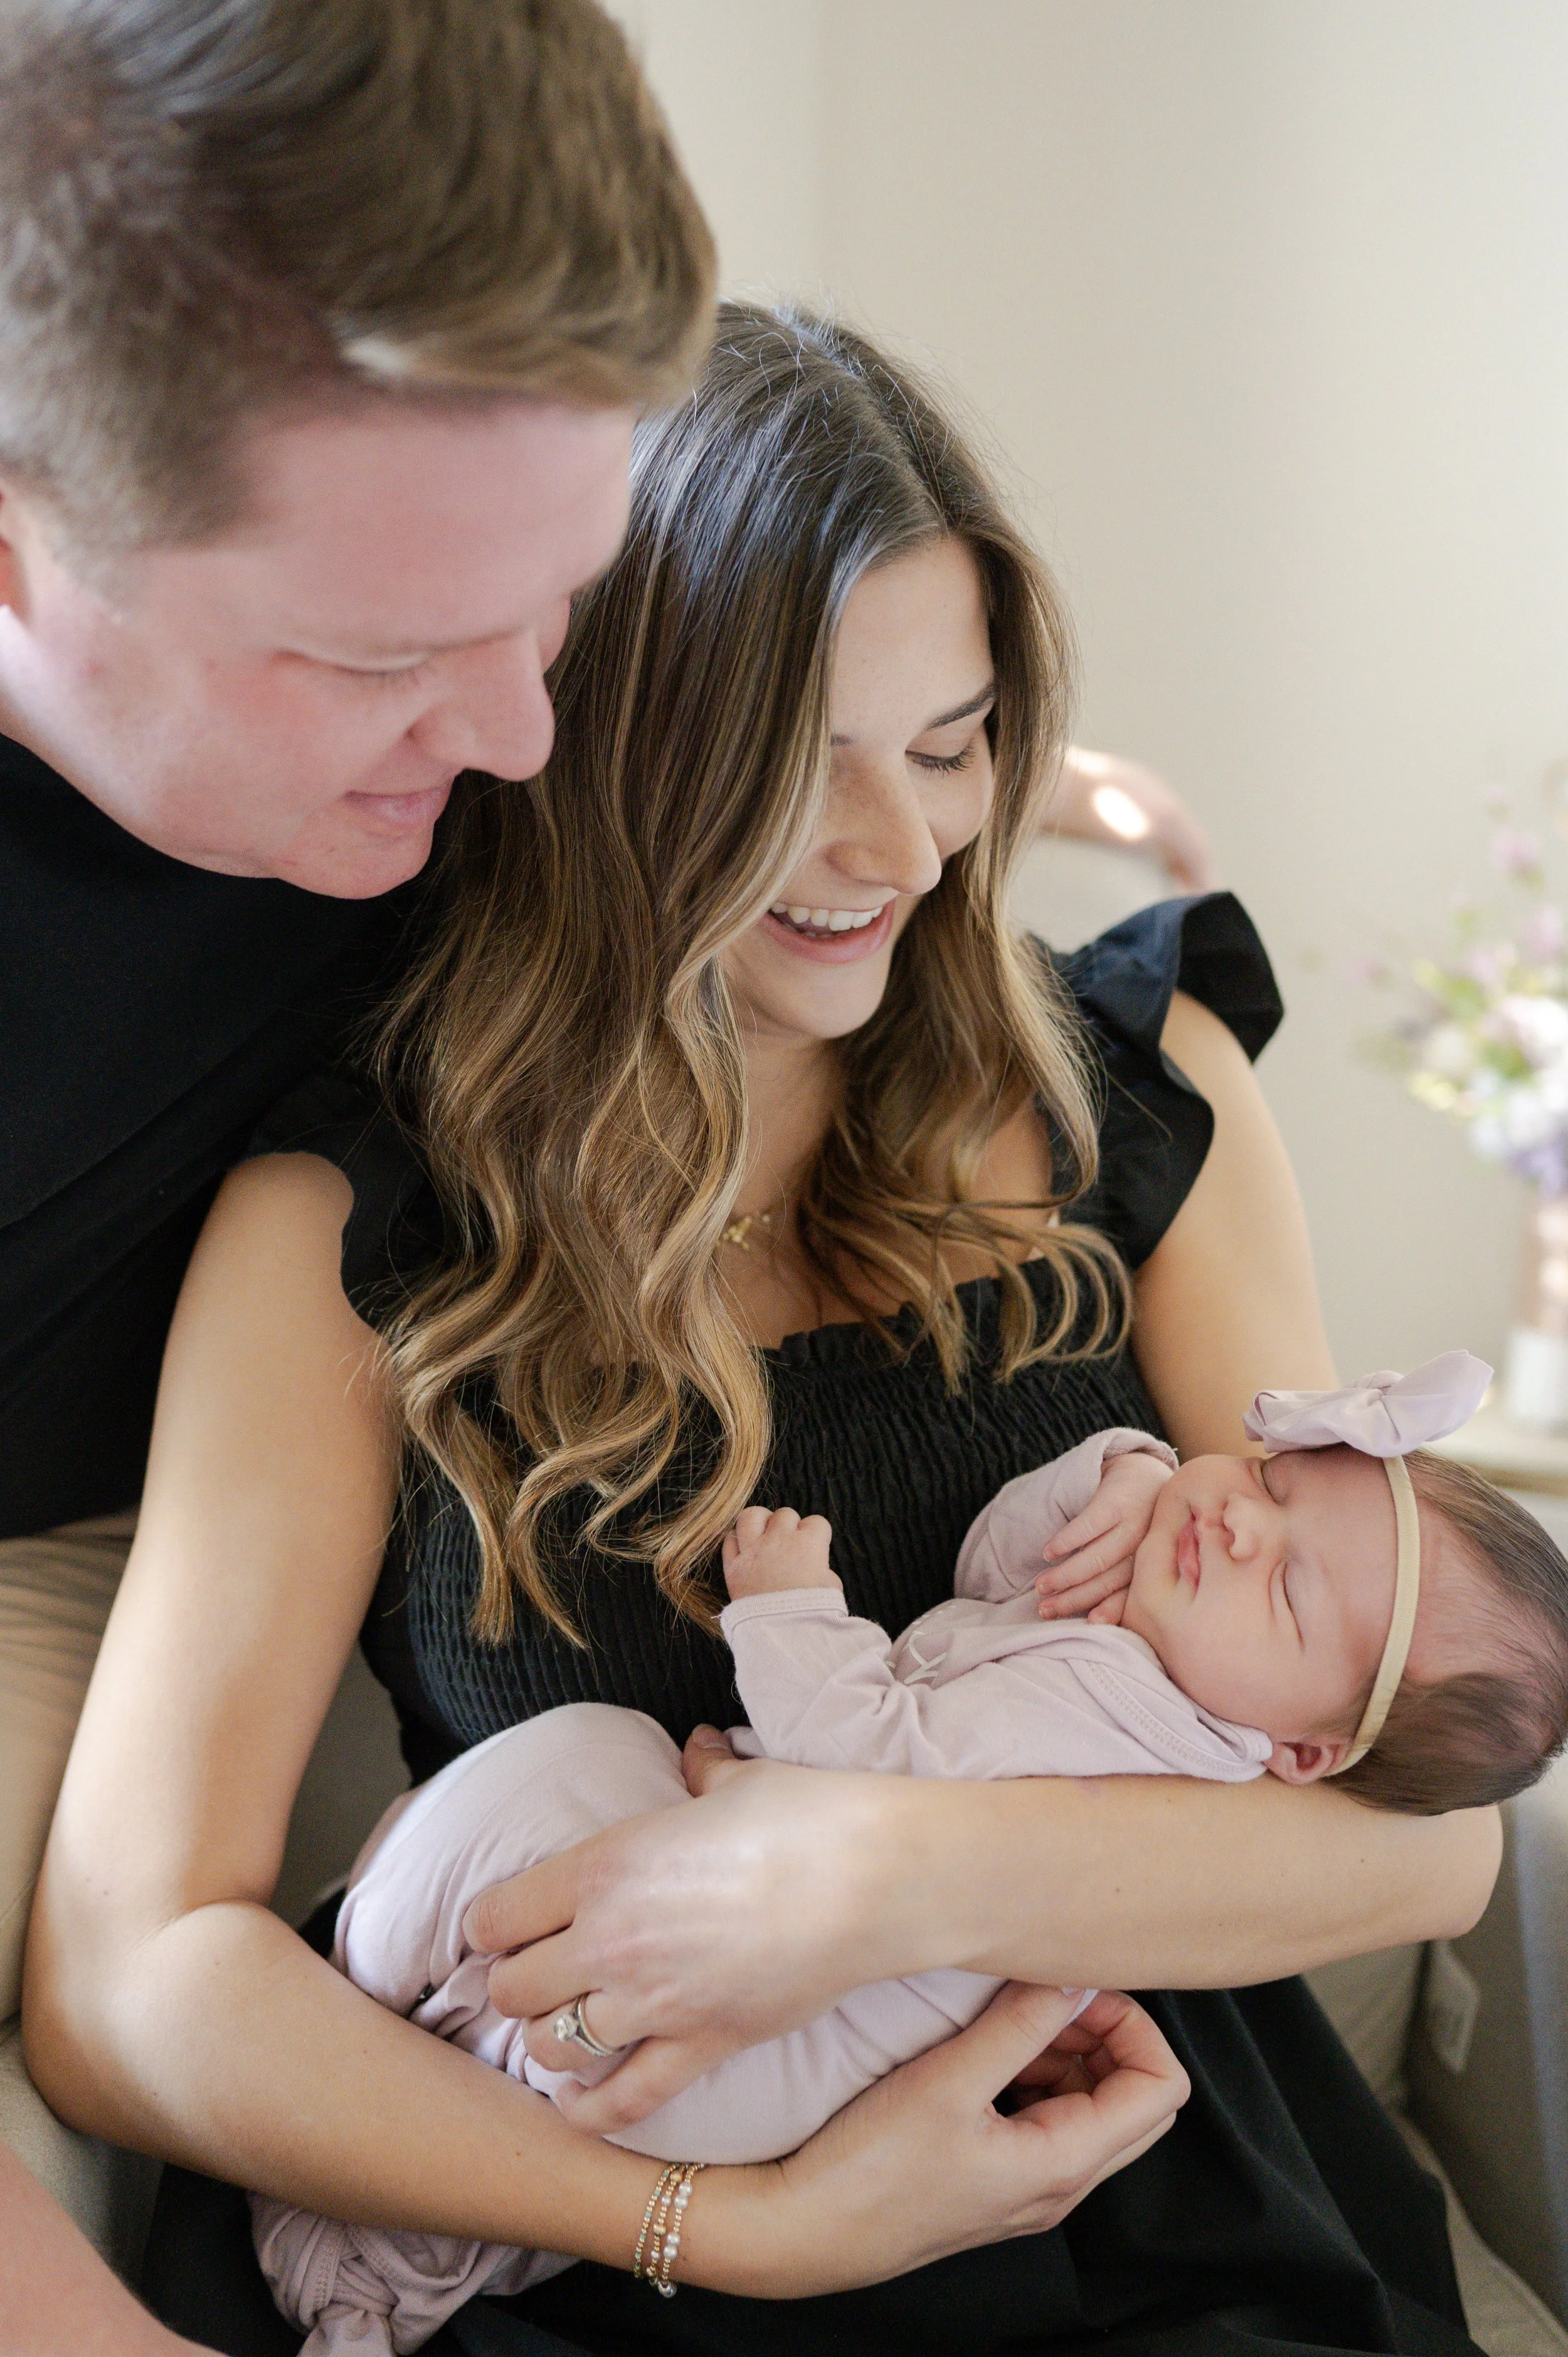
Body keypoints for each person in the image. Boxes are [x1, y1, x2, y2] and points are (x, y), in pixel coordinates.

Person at [24, 302, 1498, 2355]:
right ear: (609, 739)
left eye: (952, 740)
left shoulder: (1138, 1103)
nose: (900, 850)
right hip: (608, 2214)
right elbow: (126, 1974)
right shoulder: (358, 1223)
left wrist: (879, 1874)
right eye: (797, 764)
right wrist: (729, 2222)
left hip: (1127, 2190)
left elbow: (1420, 1838)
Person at [0, 0, 718, 2344]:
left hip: (313, 1488)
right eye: (382, 651)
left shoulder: (486, 639)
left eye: (563, 596)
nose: (522, 732)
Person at [250, 1361, 1565, 2352]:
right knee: (582, 1809)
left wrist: (785, 1605)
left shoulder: (1121, 1713)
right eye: (1270, 1488)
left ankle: (401, 2166)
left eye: (1284, 1589)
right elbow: (997, 1568)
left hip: (797, 2061)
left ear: (1303, 1758)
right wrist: (1113, 1478)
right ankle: (413, 2125)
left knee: (587, 1760)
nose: (1233, 1528)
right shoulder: (1162, 1648)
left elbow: (867, 1756)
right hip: (791, 2032)